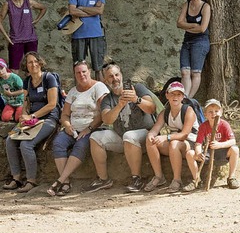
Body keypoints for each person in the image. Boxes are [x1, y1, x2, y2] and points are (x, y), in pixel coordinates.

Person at [84, 62, 158, 193]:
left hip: (145, 134)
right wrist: (119, 105)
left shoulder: (138, 88)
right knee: (95, 137)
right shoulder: (107, 99)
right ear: (106, 81)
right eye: (110, 77)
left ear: (121, 75)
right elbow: (107, 119)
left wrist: (136, 99)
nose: (115, 78)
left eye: (117, 75)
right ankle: (103, 179)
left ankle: (137, 179)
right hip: (122, 137)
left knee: (129, 136)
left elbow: (152, 108)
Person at [46, 60, 109, 196]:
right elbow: (65, 114)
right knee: (58, 143)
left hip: (94, 128)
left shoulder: (99, 87)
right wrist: (67, 125)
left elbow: (104, 112)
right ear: (74, 75)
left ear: (89, 72)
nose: (81, 75)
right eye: (78, 73)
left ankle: (59, 181)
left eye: (84, 72)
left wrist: (89, 129)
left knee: (80, 145)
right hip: (73, 129)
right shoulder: (73, 91)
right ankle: (66, 182)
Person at [3, 52, 61, 193]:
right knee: (10, 140)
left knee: (26, 144)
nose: (33, 64)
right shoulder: (27, 82)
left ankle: (31, 181)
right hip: (32, 120)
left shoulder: (49, 78)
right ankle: (16, 178)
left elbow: (52, 104)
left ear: (40, 62)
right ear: (26, 66)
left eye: (36, 61)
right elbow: (25, 103)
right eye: (30, 62)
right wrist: (23, 116)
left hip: (48, 119)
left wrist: (32, 116)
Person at [144, 81, 199, 193]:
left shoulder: (188, 111)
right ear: (167, 95)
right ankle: (159, 177)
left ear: (183, 97)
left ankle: (177, 180)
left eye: (179, 94)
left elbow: (184, 134)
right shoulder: (165, 113)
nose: (175, 97)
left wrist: (166, 137)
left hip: (190, 143)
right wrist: (151, 135)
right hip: (175, 142)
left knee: (174, 143)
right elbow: (155, 130)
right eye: (172, 94)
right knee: (151, 141)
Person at [184, 98, 240, 191]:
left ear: (221, 112)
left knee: (235, 149)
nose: (213, 113)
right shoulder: (203, 126)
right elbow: (198, 143)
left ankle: (231, 178)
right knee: (190, 154)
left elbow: (232, 141)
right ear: (205, 114)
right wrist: (198, 152)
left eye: (216, 111)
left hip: (223, 153)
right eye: (210, 111)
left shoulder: (224, 124)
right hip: (208, 154)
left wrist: (219, 145)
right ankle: (197, 180)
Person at [68, 0, 106, 81]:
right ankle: (79, 93)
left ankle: (100, 95)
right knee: (78, 67)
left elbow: (100, 10)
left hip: (96, 33)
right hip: (78, 33)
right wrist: (92, 11)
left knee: (98, 67)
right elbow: (72, 10)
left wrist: (82, 8)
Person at [0, 0, 47, 70]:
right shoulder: (8, 4)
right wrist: (7, 38)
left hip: (31, 39)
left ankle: (31, 84)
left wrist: (36, 20)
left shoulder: (29, 2)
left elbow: (43, 8)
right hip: (16, 40)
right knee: (14, 68)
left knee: (32, 67)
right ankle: (16, 85)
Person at [176, 0, 211, 98]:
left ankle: (188, 98)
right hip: (187, 41)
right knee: (184, 72)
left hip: (200, 42)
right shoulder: (187, 5)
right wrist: (193, 25)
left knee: (195, 73)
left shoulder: (205, 7)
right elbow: (179, 23)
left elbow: (202, 28)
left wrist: (187, 27)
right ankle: (184, 96)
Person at [0, 57, 25, 122]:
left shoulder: (14, 77)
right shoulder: (1, 80)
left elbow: (23, 90)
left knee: (18, 119)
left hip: (20, 102)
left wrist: (11, 94)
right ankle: (12, 113)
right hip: (10, 103)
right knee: (5, 118)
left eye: (2, 68)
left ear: (6, 67)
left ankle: (18, 112)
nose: (1, 72)